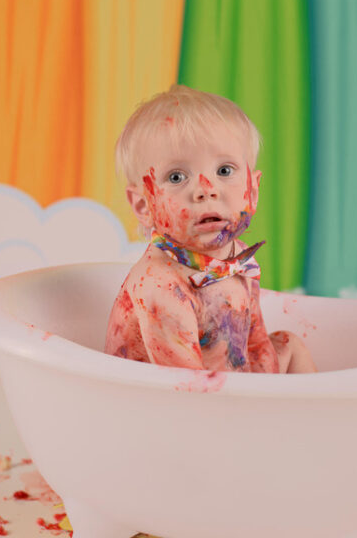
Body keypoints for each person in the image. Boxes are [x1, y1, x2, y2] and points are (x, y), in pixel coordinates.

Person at [104, 85, 316, 374]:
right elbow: (188, 388)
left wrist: (268, 390)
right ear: (144, 205)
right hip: (169, 402)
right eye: (177, 177)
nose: (207, 190)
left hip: (228, 381)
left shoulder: (238, 257)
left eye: (225, 171)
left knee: (290, 345)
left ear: (252, 190)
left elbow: (255, 343)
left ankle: (313, 417)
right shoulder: (161, 286)